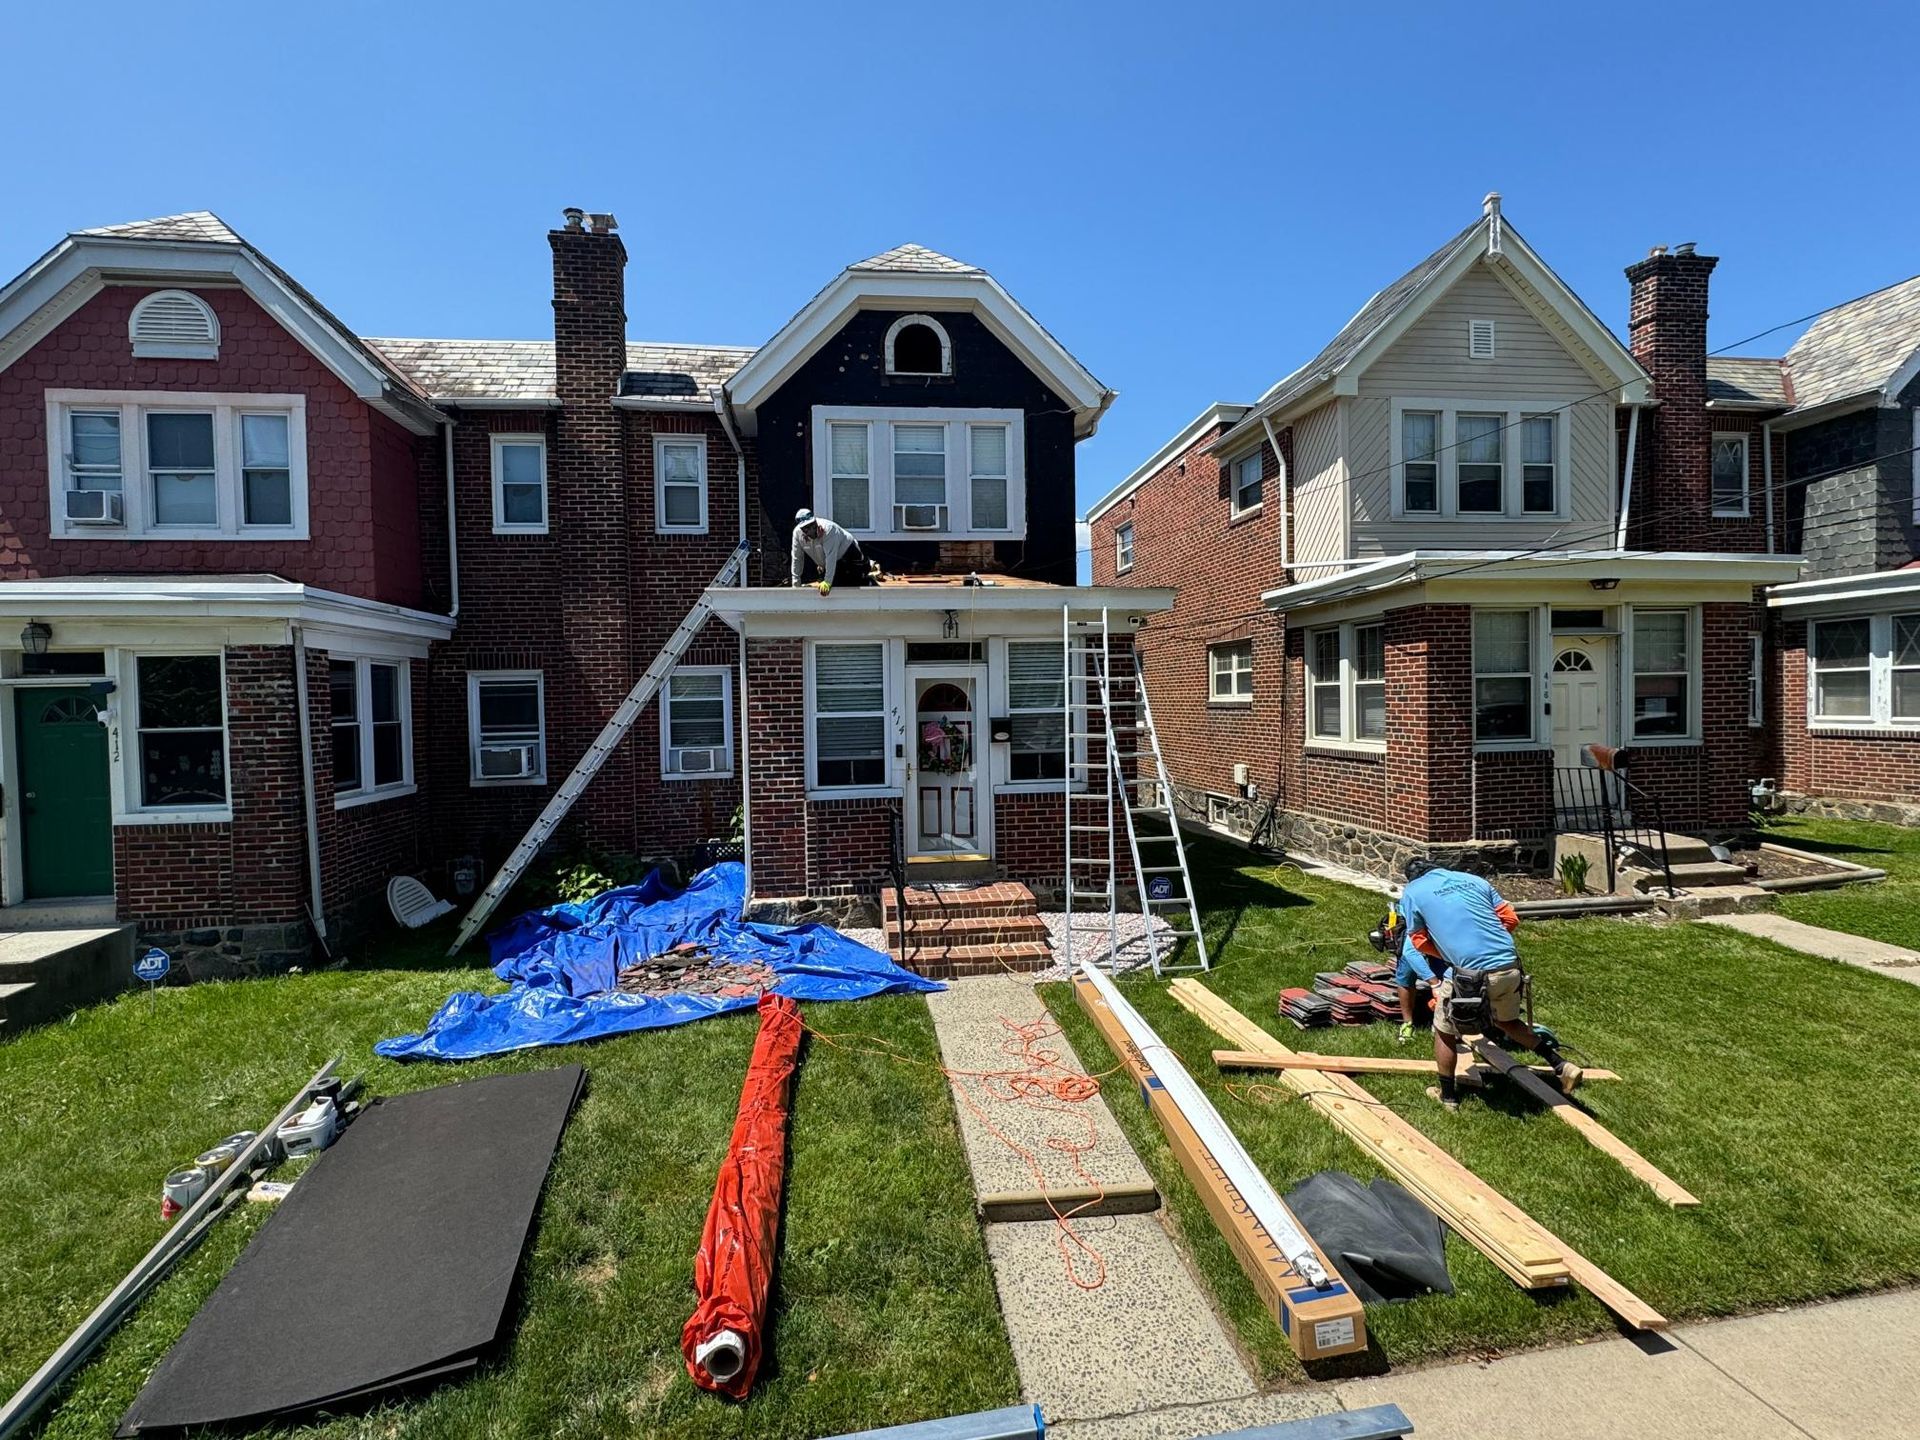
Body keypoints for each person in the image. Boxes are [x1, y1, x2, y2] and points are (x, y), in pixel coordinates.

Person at [1393, 858, 1582, 1110]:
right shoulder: (1474, 880)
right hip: (1509, 965)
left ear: (1412, 878)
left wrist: (1451, 954)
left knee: (1445, 1031)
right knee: (1507, 1022)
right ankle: (1561, 1065)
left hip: (1469, 973)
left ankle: (1447, 1096)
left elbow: (1417, 939)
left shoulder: (1413, 891)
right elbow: (1510, 919)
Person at [789, 509, 869, 592]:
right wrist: (796, 584)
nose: (810, 530)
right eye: (806, 528)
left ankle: (870, 568)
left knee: (852, 583)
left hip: (849, 553)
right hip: (831, 563)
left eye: (812, 525)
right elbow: (797, 558)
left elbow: (831, 556)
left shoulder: (829, 529)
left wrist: (827, 582)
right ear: (801, 528)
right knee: (834, 584)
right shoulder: (797, 534)